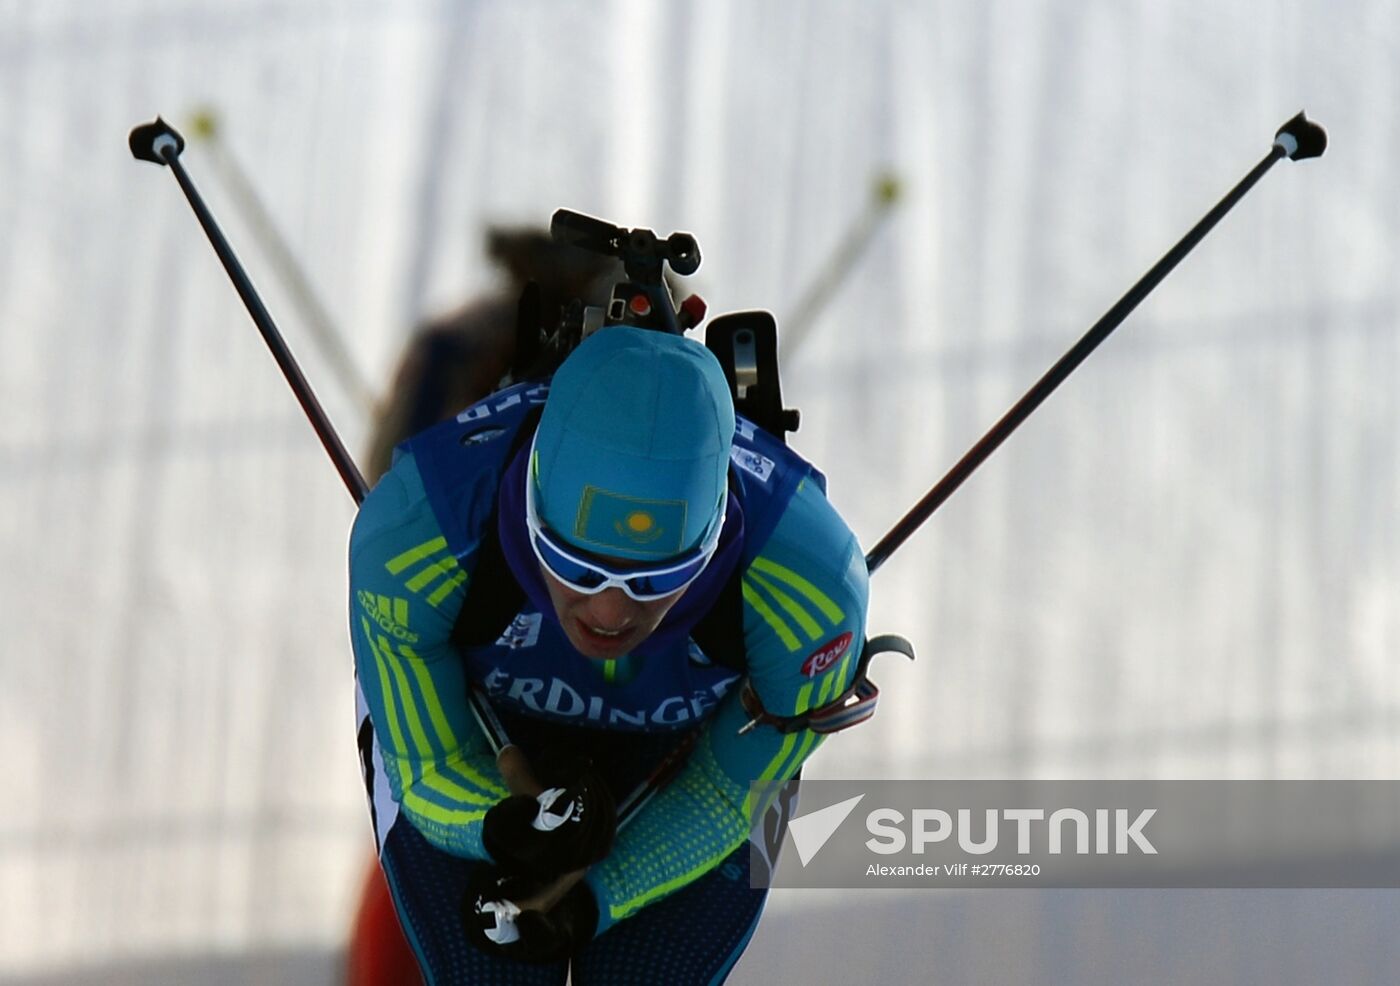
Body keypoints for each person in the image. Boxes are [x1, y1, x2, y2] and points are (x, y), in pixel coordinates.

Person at [349, 325, 869, 983]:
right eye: (574, 566)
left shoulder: (809, 590)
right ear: (530, 509)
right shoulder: (415, 537)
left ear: (716, 539)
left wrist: (593, 905)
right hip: (482, 740)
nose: (610, 613)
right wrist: (501, 825)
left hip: (689, 763)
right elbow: (427, 765)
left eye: (660, 580)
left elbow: (728, 795)